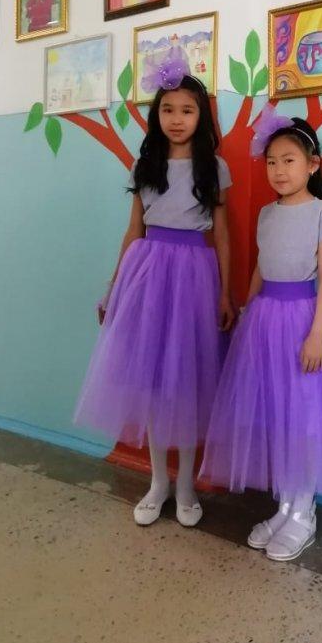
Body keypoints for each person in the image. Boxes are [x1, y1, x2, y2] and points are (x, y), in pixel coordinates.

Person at [200, 105, 322, 560]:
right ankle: (284, 505)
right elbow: (260, 266)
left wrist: (317, 334)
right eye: (271, 161)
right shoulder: (266, 214)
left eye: (288, 160)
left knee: (304, 418)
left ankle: (304, 511)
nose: (278, 170)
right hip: (265, 321)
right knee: (277, 416)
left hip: (304, 322)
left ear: (312, 164)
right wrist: (249, 308)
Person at [74, 49, 234, 528]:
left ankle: (185, 484)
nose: (177, 119)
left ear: (201, 117)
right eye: (168, 109)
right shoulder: (145, 166)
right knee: (151, 382)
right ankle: (158, 482)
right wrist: (114, 287)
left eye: (187, 110)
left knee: (185, 382)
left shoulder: (214, 168)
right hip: (147, 275)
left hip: (194, 278)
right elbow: (133, 231)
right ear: (156, 115)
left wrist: (225, 293)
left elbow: (222, 235)